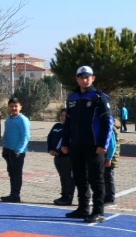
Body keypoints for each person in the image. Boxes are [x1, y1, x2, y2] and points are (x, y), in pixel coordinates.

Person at [61, 66, 112, 224]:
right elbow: (68, 123)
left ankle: (98, 211)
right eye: (81, 77)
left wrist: (103, 144)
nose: (84, 79)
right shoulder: (72, 98)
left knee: (96, 179)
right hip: (76, 145)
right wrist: (65, 142)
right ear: (76, 79)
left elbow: (108, 122)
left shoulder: (99, 97)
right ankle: (83, 208)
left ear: (93, 78)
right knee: (79, 177)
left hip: (94, 146)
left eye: (87, 77)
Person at [0, 98, 30, 203]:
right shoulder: (8, 119)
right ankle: (12, 193)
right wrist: (5, 147)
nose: (13, 108)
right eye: (11, 106)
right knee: (11, 173)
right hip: (8, 150)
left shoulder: (23, 120)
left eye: (16, 106)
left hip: (17, 152)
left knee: (17, 174)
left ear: (20, 107)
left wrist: (18, 150)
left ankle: (16, 195)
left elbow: (26, 136)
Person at [48, 109, 74, 206]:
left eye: (65, 116)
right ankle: (64, 195)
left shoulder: (71, 128)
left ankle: (68, 197)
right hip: (57, 157)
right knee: (63, 177)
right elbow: (49, 138)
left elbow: (67, 141)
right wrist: (50, 150)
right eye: (62, 115)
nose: (63, 117)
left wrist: (61, 150)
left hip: (66, 157)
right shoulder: (56, 126)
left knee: (69, 178)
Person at [103, 125, 119, 206]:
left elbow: (112, 145)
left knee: (108, 177)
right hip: (103, 157)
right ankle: (105, 196)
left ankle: (110, 198)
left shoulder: (109, 127)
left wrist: (109, 159)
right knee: (103, 177)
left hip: (109, 157)